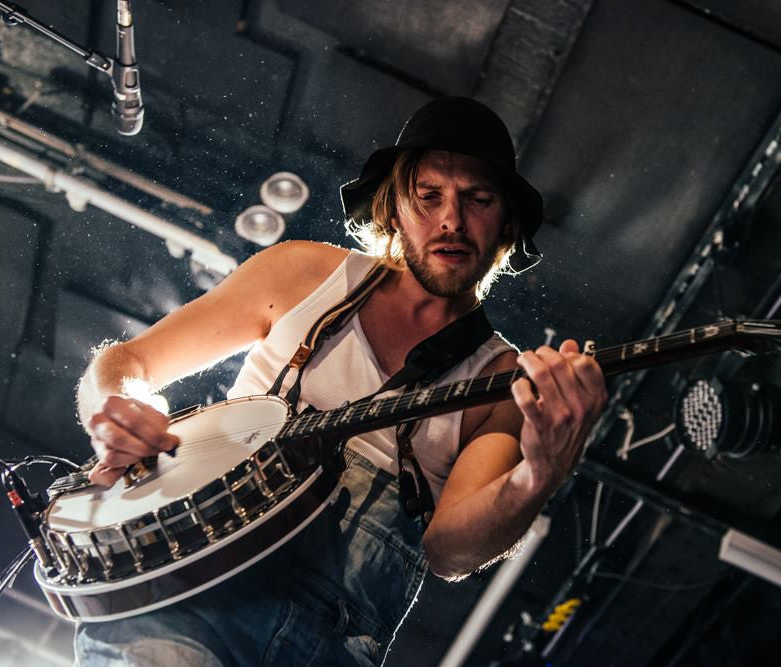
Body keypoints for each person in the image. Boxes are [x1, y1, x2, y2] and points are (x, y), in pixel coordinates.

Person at [73, 97, 607, 665]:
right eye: (429, 196)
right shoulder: (302, 274)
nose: (451, 219)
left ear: (506, 222)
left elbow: (450, 551)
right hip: (188, 598)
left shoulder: (502, 382)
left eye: (478, 199)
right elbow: (127, 363)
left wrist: (540, 475)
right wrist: (120, 407)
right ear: (395, 207)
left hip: (331, 645)